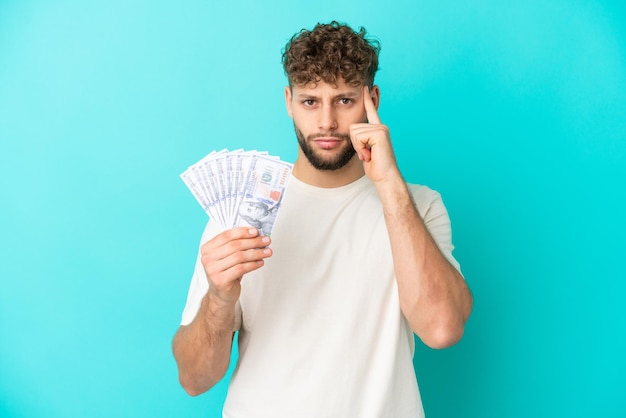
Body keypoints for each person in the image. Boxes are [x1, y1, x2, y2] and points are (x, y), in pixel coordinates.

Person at [172, 21, 473, 418]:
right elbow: (194, 380)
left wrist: (388, 184)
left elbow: (442, 329)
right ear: (288, 101)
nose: (327, 122)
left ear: (372, 100)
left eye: (345, 100)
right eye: (310, 101)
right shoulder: (239, 216)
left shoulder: (417, 204)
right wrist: (219, 299)